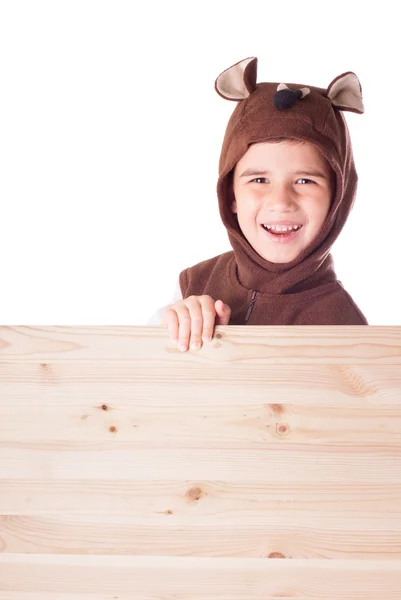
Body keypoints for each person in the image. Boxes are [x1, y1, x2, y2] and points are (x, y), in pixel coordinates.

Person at [147, 57, 368, 351]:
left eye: (305, 181)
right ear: (231, 195)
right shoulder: (193, 285)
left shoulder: (346, 330)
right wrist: (170, 323)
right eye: (259, 180)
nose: (280, 202)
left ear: (337, 200)